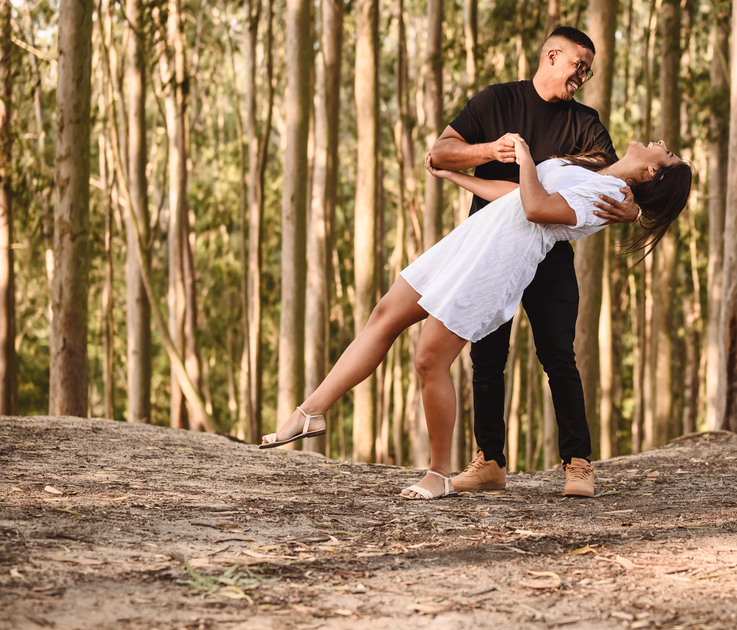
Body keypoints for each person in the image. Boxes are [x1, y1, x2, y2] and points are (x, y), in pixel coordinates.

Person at [260, 136, 692, 501]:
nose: (661, 144)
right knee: (385, 314)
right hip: (472, 238)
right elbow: (514, 199)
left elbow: (536, 209)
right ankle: (311, 411)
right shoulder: (595, 173)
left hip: (495, 262)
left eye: (667, 154)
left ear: (653, 174)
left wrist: (524, 158)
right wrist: (458, 178)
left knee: (430, 358)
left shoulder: (613, 198)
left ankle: (439, 471)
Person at [429, 27, 636, 498]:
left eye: (588, 70)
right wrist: (489, 150)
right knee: (486, 356)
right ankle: (489, 463)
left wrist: (634, 210)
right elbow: (440, 153)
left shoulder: (586, 123)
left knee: (559, 355)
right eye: (577, 65)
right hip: (489, 248)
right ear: (550, 54)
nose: (582, 76)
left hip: (548, 250)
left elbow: (616, 182)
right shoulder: (495, 101)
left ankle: (578, 464)